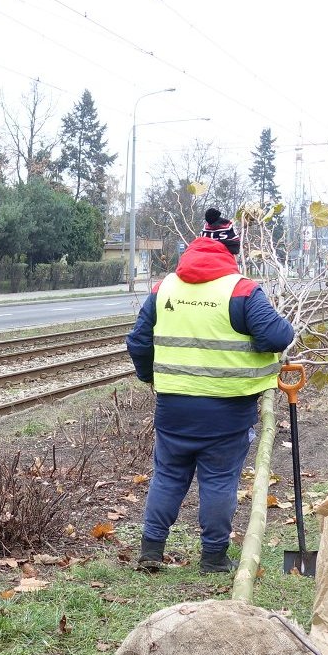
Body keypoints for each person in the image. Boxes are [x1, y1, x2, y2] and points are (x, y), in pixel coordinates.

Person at [126, 207, 294, 574]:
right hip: (228, 410)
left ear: (194, 249)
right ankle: (213, 557)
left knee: (168, 475)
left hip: (174, 406)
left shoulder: (164, 288)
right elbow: (278, 336)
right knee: (219, 480)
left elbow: (138, 341)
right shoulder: (242, 290)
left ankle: (151, 550)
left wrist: (149, 377)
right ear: (230, 252)